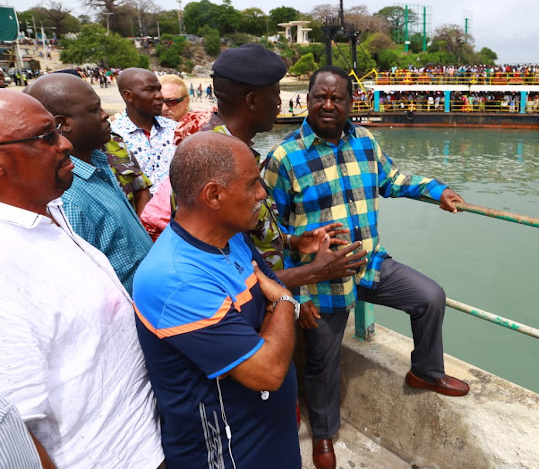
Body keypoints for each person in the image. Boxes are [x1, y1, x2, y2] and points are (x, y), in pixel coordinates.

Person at [265, 66, 470, 469]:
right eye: (319, 97)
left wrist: (437, 190)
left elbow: (392, 179)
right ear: (306, 99)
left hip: (370, 262)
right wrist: (295, 296)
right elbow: (272, 233)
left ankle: (425, 371)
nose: (328, 105)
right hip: (322, 278)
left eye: (337, 97)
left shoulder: (365, 140)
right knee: (323, 363)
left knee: (430, 297)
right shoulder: (284, 158)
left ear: (349, 102)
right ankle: (324, 436)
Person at [0, 90, 163, 468]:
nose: (65, 144)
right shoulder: (8, 261)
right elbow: (14, 430)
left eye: (57, 129)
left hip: (145, 444)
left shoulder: (49, 210)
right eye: (46, 138)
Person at [133, 132, 302, 468]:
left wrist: (267, 327)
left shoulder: (232, 237)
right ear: (214, 195)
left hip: (269, 435)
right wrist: (284, 302)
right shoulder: (176, 279)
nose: (262, 193)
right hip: (229, 452)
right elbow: (267, 371)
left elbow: (272, 286)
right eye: (253, 183)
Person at [140, 44, 366, 291]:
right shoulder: (216, 161)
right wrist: (312, 273)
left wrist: (291, 241)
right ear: (252, 101)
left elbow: (247, 236)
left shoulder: (228, 147)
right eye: (275, 95)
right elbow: (228, 269)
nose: (279, 104)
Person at [25, 73, 154, 295]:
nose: (105, 115)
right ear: (63, 124)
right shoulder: (68, 197)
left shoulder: (98, 160)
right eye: (94, 110)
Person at [111, 68, 177, 193]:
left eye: (159, 89)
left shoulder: (176, 130)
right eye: (150, 90)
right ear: (128, 96)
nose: (159, 96)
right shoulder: (112, 137)